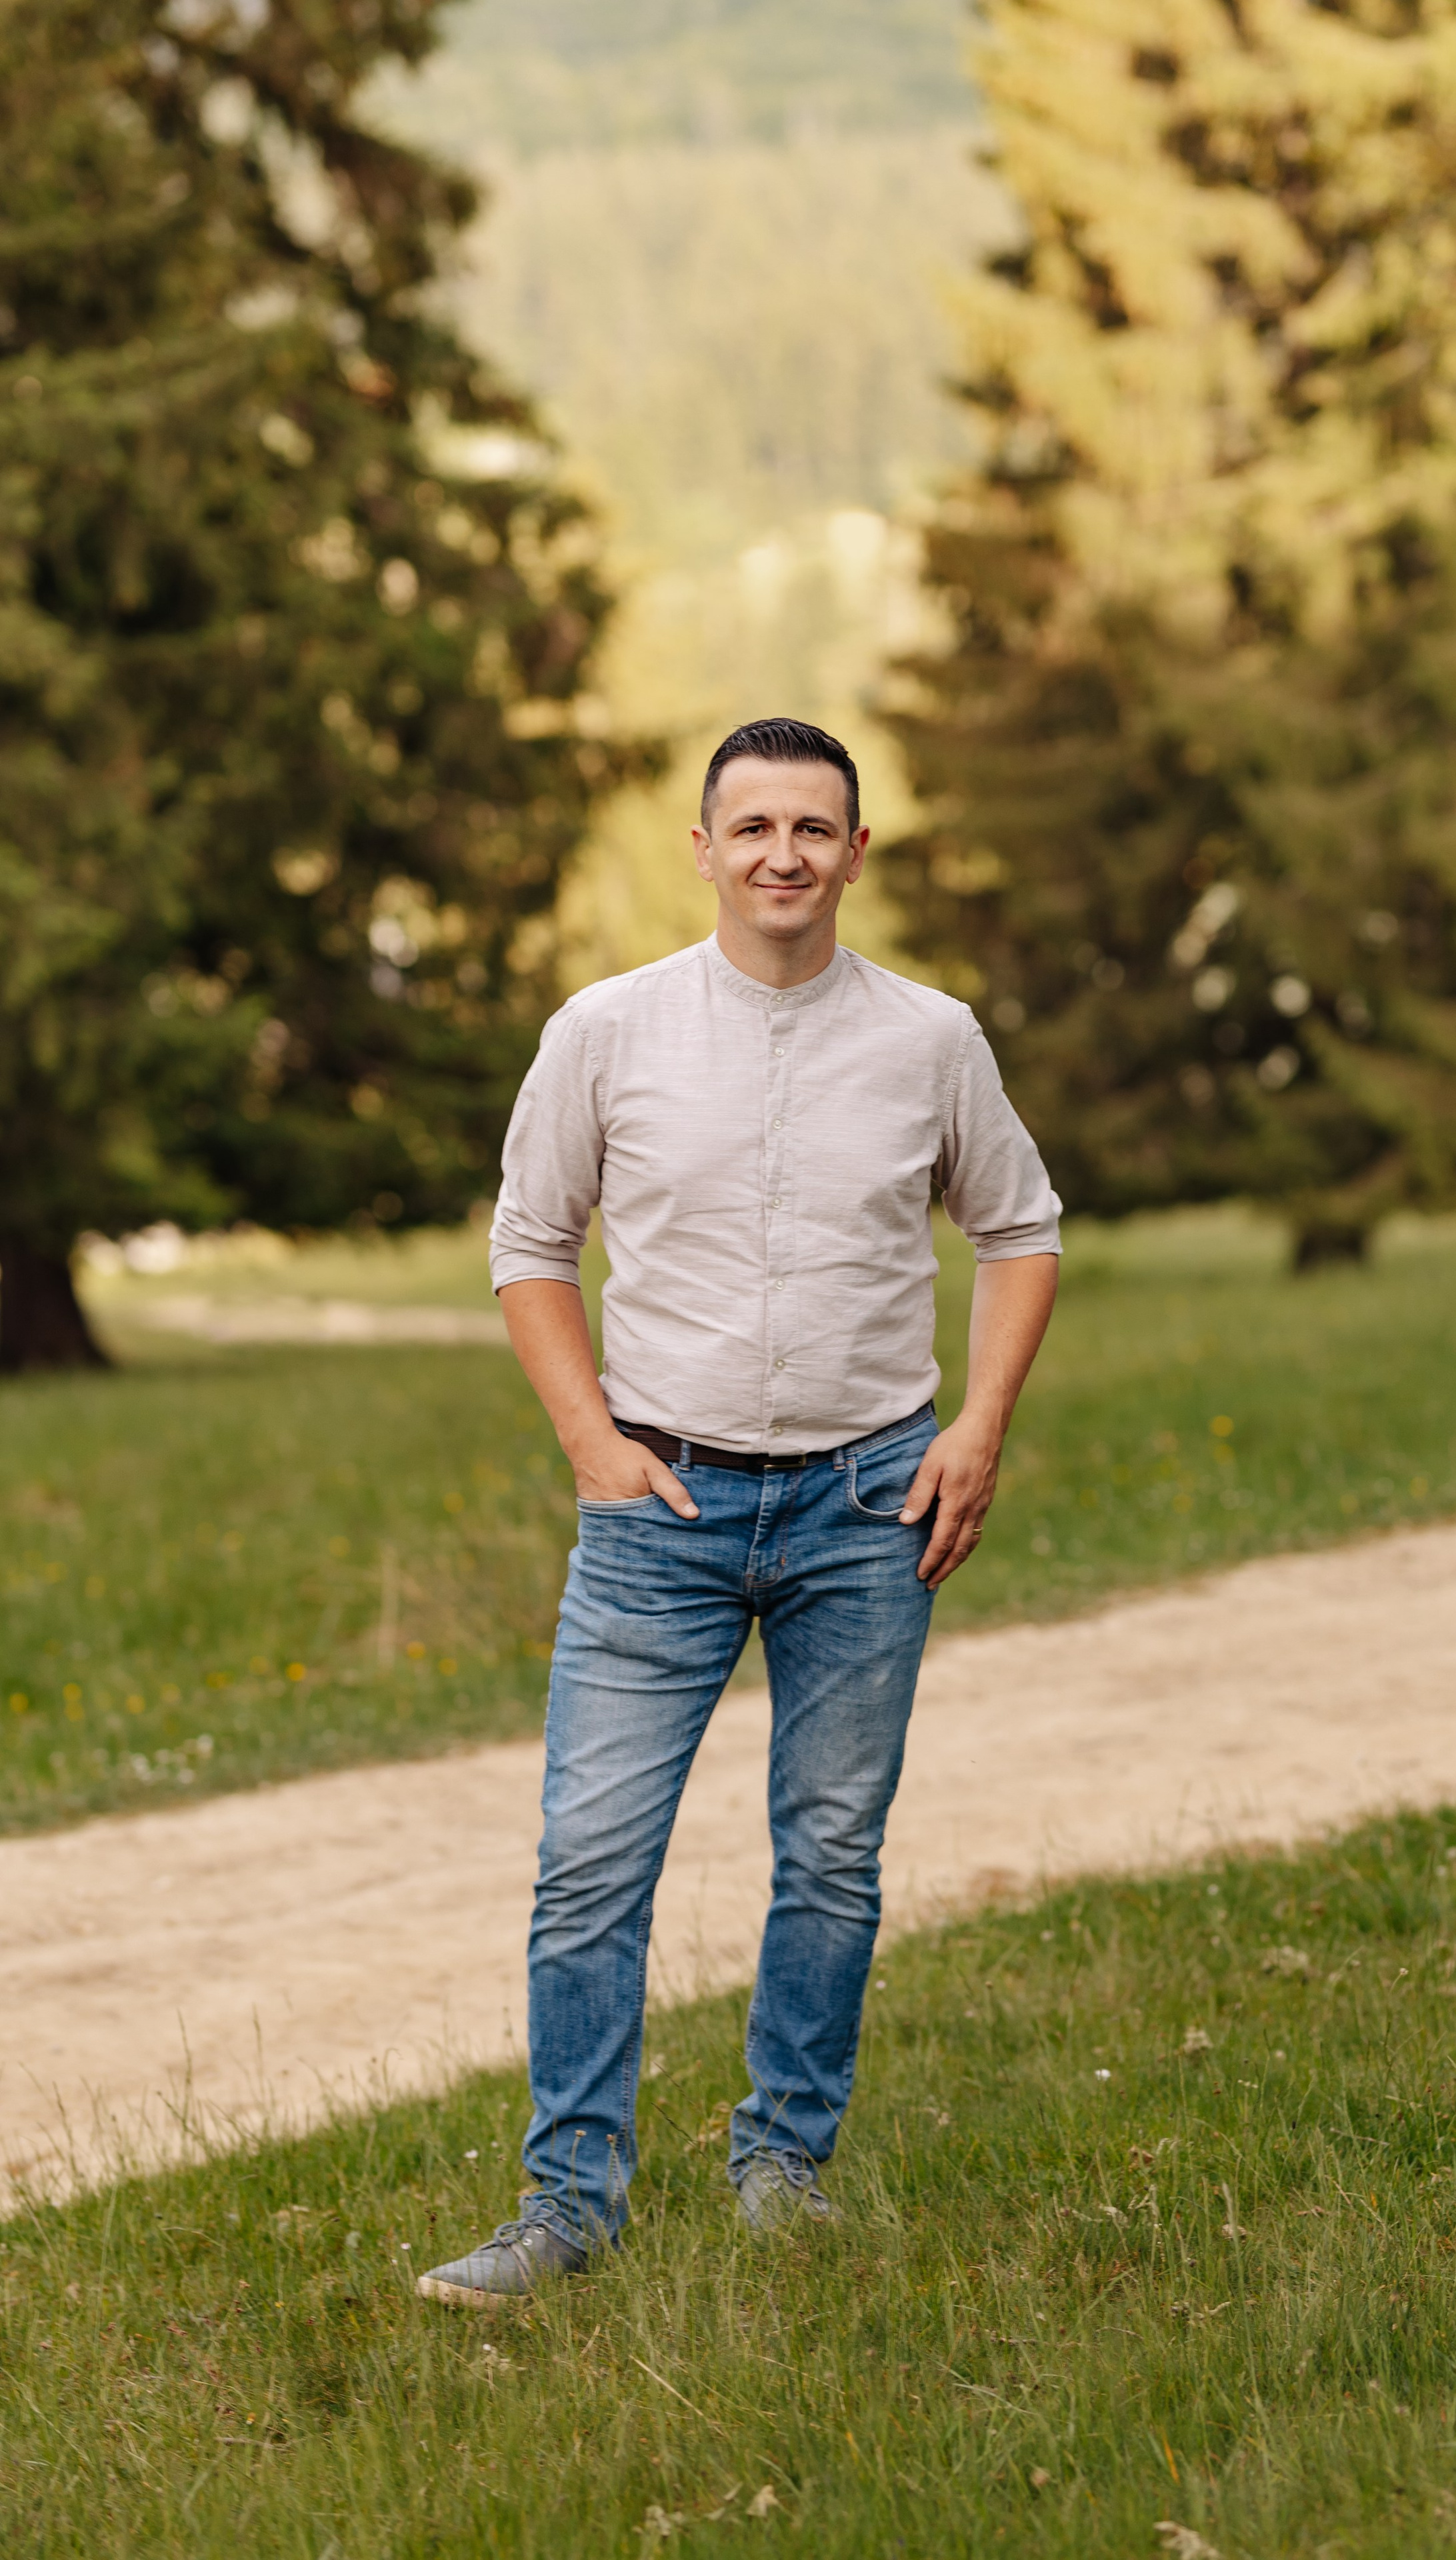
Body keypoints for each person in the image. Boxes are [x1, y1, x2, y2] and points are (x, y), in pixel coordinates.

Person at [419, 716, 1059, 2305]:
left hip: (866, 1503)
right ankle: (567, 2205)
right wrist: (589, 1444)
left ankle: (783, 2162)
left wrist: (977, 1426)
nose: (784, 852)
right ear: (701, 848)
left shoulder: (931, 1039)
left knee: (831, 1855)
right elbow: (527, 1243)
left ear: (857, 853)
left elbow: (1020, 1228)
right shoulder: (607, 1031)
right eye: (752, 824)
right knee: (589, 1863)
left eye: (813, 827)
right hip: (658, 1500)